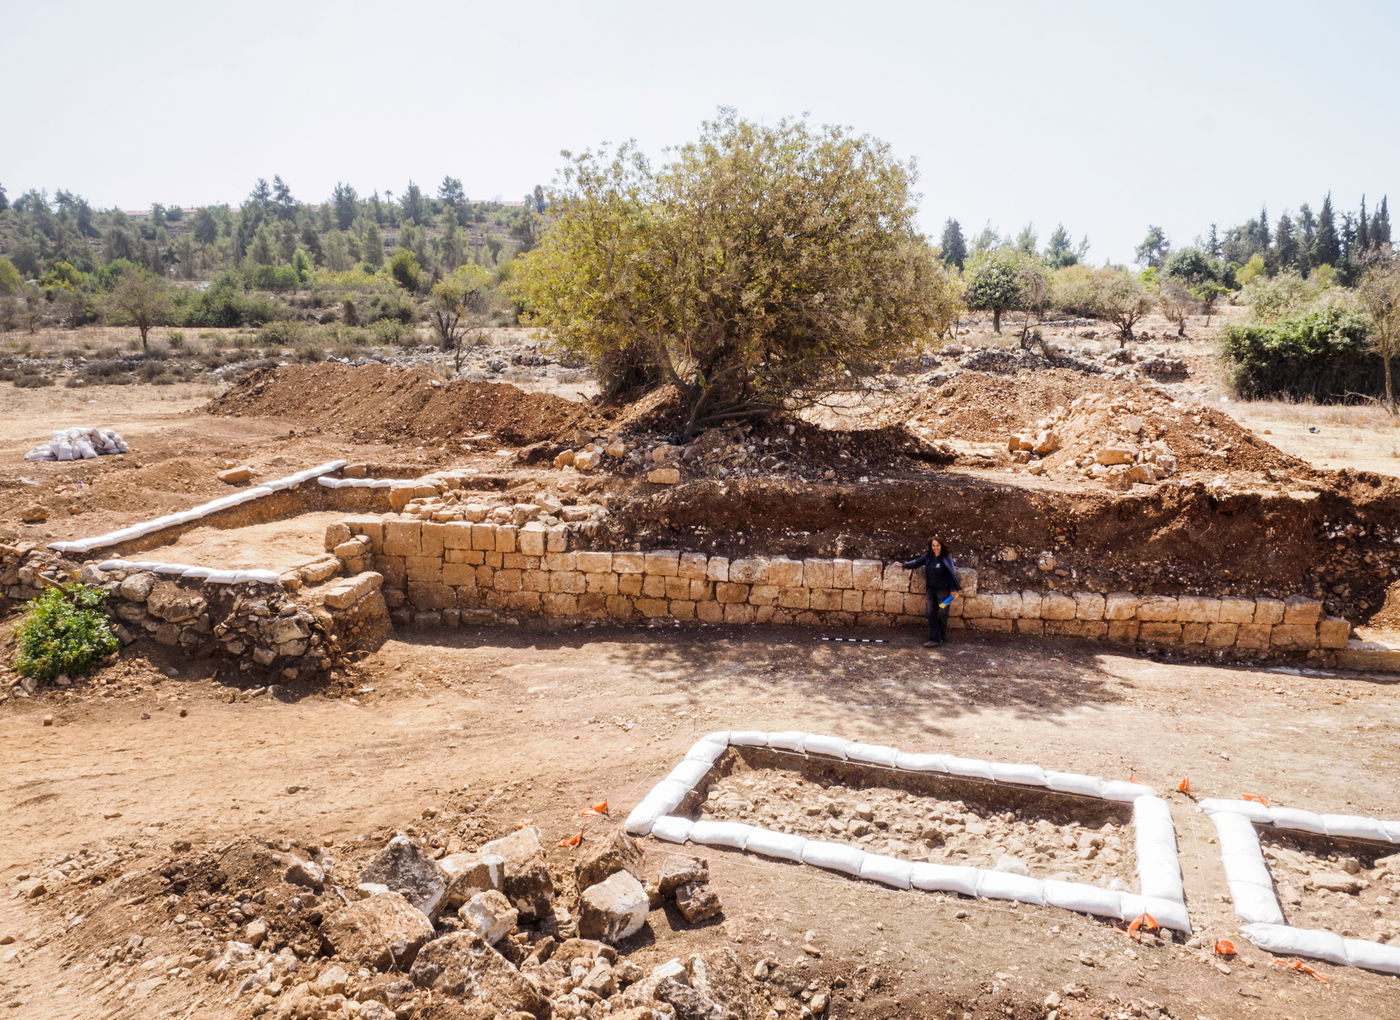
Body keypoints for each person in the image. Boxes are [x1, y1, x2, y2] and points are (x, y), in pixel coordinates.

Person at [899, 537, 961, 648]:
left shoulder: (946, 558)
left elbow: (951, 574)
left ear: (941, 546)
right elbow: (916, 563)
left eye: (937, 545)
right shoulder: (928, 556)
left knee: (942, 613)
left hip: (944, 591)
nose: (935, 548)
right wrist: (903, 564)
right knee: (931, 613)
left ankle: (941, 636)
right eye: (933, 545)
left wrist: (953, 589)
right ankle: (935, 638)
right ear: (930, 546)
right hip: (931, 590)